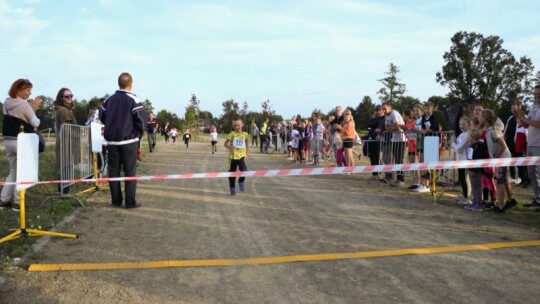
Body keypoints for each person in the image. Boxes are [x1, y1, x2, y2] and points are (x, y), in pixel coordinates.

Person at [99, 72, 146, 209]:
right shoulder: (134, 100)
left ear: (118, 84)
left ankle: (116, 200)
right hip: (129, 141)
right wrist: (137, 134)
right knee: (130, 172)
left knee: (113, 172)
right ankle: (130, 202)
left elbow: (102, 116)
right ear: (131, 84)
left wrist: (111, 128)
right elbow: (142, 122)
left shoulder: (108, 100)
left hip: (112, 142)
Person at [0, 79, 43, 211]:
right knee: (22, 172)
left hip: (8, 141)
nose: (29, 93)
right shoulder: (23, 105)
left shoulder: (6, 103)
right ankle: (18, 203)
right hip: (21, 141)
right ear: (19, 90)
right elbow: (35, 123)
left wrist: (31, 108)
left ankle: (3, 200)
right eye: (27, 90)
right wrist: (33, 109)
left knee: (13, 171)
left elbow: (18, 117)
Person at [481, 109, 517, 213]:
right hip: (500, 158)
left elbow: (503, 145)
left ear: (485, 118)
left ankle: (500, 206)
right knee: (504, 179)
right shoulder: (488, 130)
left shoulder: (493, 131)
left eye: (480, 116)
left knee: (500, 181)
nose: (479, 118)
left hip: (502, 158)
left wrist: (496, 157)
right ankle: (510, 200)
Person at [513, 84, 540, 210]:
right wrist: (519, 117)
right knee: (532, 174)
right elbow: (527, 125)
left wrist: (524, 119)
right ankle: (537, 199)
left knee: (538, 173)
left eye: (538, 94)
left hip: (539, 146)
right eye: (535, 94)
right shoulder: (534, 107)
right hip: (531, 144)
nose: (536, 96)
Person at [54, 87, 77, 194]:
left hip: (67, 141)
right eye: (66, 96)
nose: (69, 98)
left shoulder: (67, 109)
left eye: (71, 96)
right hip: (66, 142)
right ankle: (64, 192)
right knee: (66, 167)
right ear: (61, 98)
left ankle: (63, 190)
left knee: (66, 166)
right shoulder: (63, 110)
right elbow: (67, 129)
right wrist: (79, 135)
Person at [382, 101, 406, 187]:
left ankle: (401, 179)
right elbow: (387, 128)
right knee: (395, 159)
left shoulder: (394, 113)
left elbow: (397, 127)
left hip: (401, 139)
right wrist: (393, 128)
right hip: (394, 139)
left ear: (390, 108)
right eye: (382, 109)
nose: (383, 111)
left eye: (385, 109)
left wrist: (392, 128)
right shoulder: (386, 116)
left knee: (399, 159)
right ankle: (394, 178)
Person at [224, 118, 249, 195]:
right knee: (232, 173)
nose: (237, 127)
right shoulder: (232, 134)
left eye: (238, 125)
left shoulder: (245, 134)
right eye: (235, 125)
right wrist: (231, 147)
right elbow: (225, 144)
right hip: (233, 157)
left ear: (242, 125)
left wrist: (247, 151)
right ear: (233, 126)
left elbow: (247, 142)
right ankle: (232, 187)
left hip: (241, 156)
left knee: (244, 170)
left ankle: (241, 181)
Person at [465, 128, 488, 212]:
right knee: (474, 187)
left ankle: (478, 204)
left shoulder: (478, 146)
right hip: (473, 169)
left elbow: (474, 158)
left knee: (477, 187)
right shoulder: (475, 145)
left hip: (476, 170)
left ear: (472, 137)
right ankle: (474, 202)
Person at [451, 117, 472, 203]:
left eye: (464, 124)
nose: (461, 126)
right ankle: (465, 195)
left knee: (465, 179)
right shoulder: (461, 134)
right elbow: (456, 144)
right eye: (460, 124)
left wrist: (452, 143)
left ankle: (467, 197)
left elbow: (459, 148)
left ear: (469, 125)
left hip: (465, 160)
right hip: (459, 160)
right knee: (462, 179)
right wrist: (453, 137)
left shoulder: (468, 135)